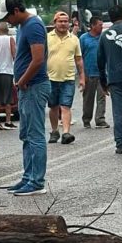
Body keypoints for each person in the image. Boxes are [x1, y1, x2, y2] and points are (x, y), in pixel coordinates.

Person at [0, 0, 50, 196]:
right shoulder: (22, 27)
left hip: (34, 86)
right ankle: (28, 177)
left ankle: (36, 182)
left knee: (35, 136)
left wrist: (23, 80)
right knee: (26, 135)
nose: (7, 20)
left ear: (16, 10)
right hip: (27, 87)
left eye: (8, 16)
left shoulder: (33, 25)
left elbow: (38, 59)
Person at [97, 5, 122, 154]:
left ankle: (120, 144)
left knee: (118, 112)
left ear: (110, 18)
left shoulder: (104, 35)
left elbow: (100, 60)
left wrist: (103, 81)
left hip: (115, 78)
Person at [47, 11, 85, 144]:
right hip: (50, 78)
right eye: (60, 21)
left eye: (65, 21)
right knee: (53, 106)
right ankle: (54, 130)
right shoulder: (47, 38)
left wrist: (82, 77)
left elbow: (79, 60)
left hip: (68, 78)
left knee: (65, 106)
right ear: (54, 23)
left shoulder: (74, 39)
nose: (63, 24)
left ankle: (66, 133)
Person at [80, 16, 109, 129]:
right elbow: (79, 57)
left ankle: (100, 119)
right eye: (99, 25)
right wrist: (82, 74)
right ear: (92, 25)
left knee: (102, 97)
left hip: (102, 73)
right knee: (88, 98)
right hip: (89, 73)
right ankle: (86, 119)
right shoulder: (83, 39)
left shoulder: (103, 38)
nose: (102, 27)